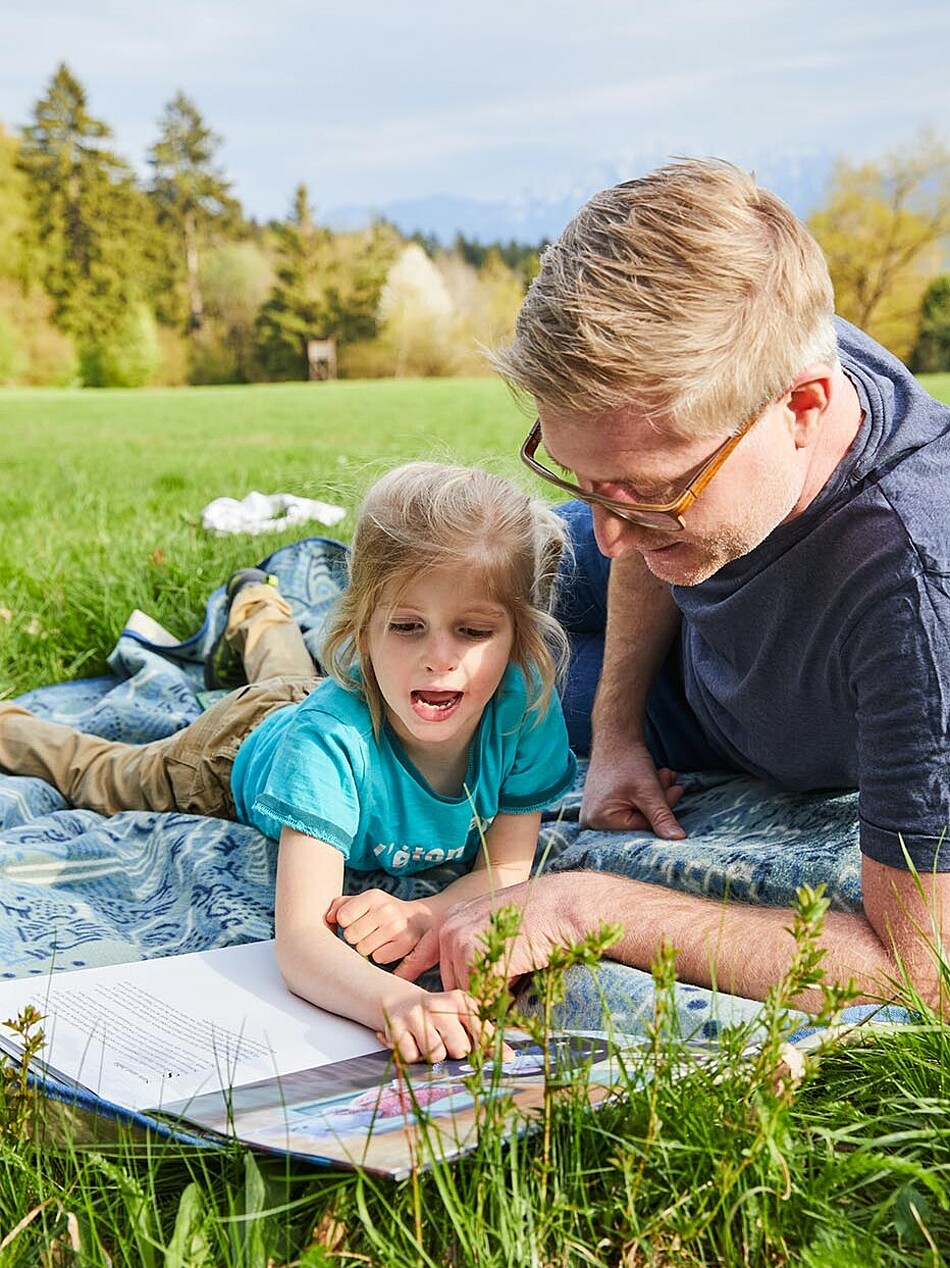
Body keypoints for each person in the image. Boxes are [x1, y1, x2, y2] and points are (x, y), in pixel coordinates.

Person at [394, 158, 950, 1013]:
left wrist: (588, 904)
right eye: (584, 478)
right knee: (440, 577)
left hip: (717, 717)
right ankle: (284, 613)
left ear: (804, 408)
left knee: (465, 682)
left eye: (651, 489)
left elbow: (926, 969)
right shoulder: (750, 331)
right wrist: (614, 736)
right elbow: (628, 531)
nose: (610, 536)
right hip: (694, 614)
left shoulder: (914, 598)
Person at [0, 462, 577, 1062]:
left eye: (473, 629)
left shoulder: (524, 707)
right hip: (230, 756)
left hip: (319, 697)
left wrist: (425, 913)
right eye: (407, 626)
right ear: (360, 630)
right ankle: (12, 729)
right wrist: (399, 1002)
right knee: (106, 776)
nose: (439, 657)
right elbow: (301, 943)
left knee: (292, 680)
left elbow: (509, 869)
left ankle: (258, 606)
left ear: (520, 639)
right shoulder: (326, 743)